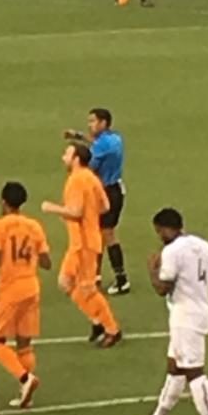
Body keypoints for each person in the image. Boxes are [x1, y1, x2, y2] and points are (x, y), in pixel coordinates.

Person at [129, 208, 208, 415]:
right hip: (201, 312)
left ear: (166, 228)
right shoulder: (202, 245)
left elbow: (162, 288)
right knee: (175, 368)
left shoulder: (171, 252)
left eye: (159, 231)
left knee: (194, 373)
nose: (158, 235)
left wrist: (152, 270)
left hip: (185, 317)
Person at [0, 182, 51, 409]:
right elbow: (47, 263)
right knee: (24, 343)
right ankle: (25, 393)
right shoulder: (34, 226)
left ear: (3, 201)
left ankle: (24, 378)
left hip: (11, 289)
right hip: (32, 286)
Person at [41, 142, 122, 347]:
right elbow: (105, 207)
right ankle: (96, 320)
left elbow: (75, 212)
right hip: (85, 240)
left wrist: (52, 208)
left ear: (76, 158)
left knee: (87, 288)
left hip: (83, 243)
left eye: (67, 153)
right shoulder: (92, 178)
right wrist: (89, 214)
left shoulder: (76, 180)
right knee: (65, 283)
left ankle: (112, 328)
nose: (63, 157)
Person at [64, 108, 130, 300]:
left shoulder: (100, 148)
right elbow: (97, 144)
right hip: (115, 188)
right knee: (101, 234)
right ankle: (95, 276)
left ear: (103, 123)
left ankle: (120, 279)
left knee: (104, 234)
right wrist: (79, 136)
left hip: (105, 192)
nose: (89, 125)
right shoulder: (115, 139)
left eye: (93, 121)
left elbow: (89, 165)